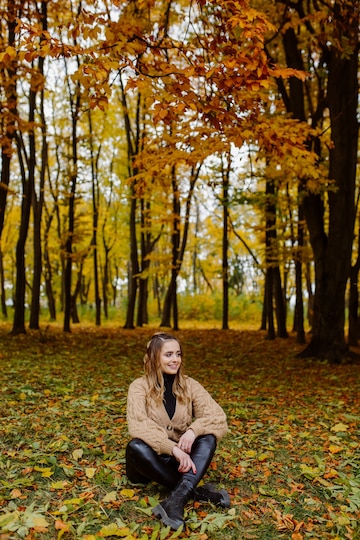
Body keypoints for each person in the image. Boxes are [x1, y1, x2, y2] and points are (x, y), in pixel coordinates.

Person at [126, 332, 230, 530]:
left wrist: (193, 430)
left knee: (208, 437)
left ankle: (176, 500)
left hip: (179, 463)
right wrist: (173, 448)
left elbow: (218, 418)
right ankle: (195, 492)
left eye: (178, 354)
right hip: (148, 462)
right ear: (154, 357)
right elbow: (137, 424)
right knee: (135, 446)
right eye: (168, 355)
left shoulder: (190, 386)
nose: (175, 360)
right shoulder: (138, 387)